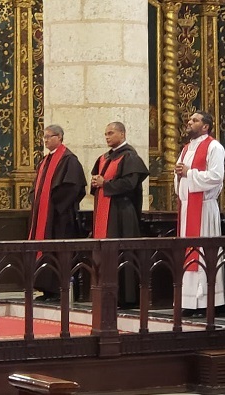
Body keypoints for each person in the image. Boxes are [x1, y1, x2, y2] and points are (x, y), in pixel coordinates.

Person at [91, 121, 149, 307]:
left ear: (122, 134)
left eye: (111, 133)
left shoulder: (130, 156)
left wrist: (105, 184)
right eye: (105, 134)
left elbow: (129, 185)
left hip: (122, 214)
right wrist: (96, 184)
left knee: (122, 253)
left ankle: (125, 297)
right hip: (105, 213)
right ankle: (105, 295)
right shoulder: (104, 157)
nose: (107, 137)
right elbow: (99, 181)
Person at [174, 111, 225, 317]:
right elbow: (180, 174)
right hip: (188, 208)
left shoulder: (214, 147)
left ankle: (208, 301)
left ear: (206, 126)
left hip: (203, 208)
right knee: (188, 255)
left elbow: (216, 176)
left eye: (195, 120)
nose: (189, 122)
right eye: (190, 119)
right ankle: (189, 301)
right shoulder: (186, 148)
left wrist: (189, 173)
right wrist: (179, 174)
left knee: (204, 253)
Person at [28, 125, 87, 302]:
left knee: (56, 251)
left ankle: (57, 290)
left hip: (60, 218)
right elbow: (36, 188)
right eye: (44, 137)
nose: (45, 140)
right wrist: (37, 201)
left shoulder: (69, 160)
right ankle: (46, 289)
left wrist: (55, 205)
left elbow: (74, 187)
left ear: (59, 137)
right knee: (43, 249)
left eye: (49, 137)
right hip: (44, 217)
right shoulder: (45, 161)